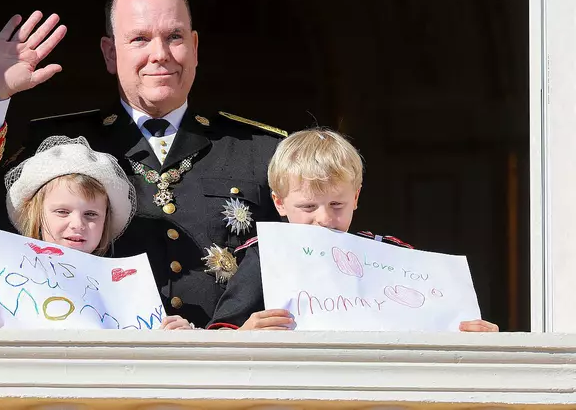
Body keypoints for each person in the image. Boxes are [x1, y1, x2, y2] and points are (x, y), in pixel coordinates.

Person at [0, 0, 285, 329]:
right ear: (110, 53)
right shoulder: (57, 145)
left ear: (194, 47)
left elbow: (301, 257)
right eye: (140, 39)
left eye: (175, 37)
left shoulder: (262, 152)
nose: (160, 54)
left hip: (228, 360)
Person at [209, 128, 500, 332]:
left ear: (356, 198)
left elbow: (440, 325)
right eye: (308, 206)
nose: (324, 218)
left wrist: (472, 334)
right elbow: (221, 334)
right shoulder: (264, 256)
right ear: (279, 203)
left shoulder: (390, 254)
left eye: (337, 204)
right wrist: (244, 335)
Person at [0, 136, 190, 330]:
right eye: (62, 212)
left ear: (106, 222)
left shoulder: (131, 290)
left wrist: (177, 338)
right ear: (36, 215)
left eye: (91, 214)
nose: (77, 224)